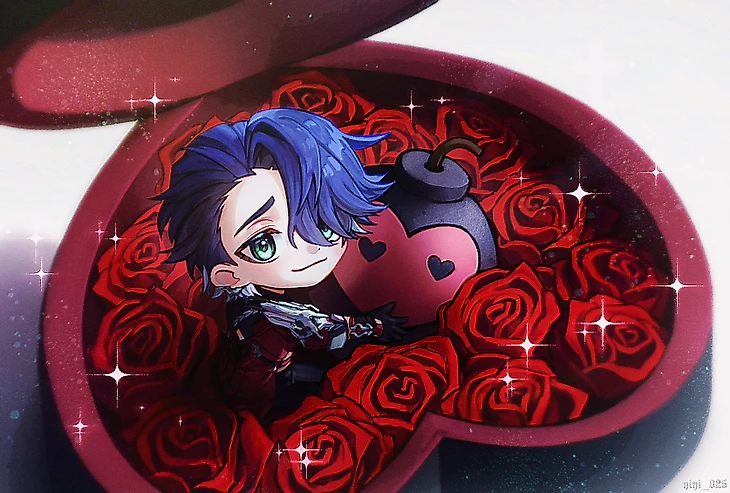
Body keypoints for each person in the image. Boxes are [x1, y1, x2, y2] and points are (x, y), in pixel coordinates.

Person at [156, 107, 406, 417]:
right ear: (227, 274)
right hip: (254, 377)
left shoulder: (261, 296)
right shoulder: (269, 313)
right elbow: (319, 329)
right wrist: (373, 326)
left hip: (266, 357)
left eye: (323, 220)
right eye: (264, 244)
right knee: (258, 409)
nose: (311, 246)